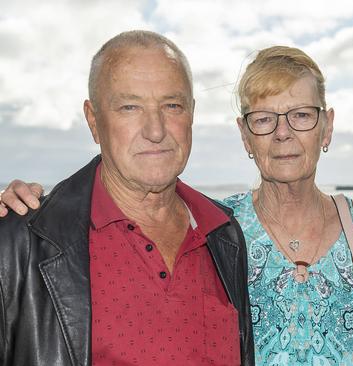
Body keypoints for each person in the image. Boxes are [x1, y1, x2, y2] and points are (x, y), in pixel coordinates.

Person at [1, 45, 353, 365]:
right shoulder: (223, 228)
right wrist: (41, 208)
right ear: (245, 136)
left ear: (327, 126)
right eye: (264, 119)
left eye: (301, 115)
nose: (283, 134)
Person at [0, 31, 254, 365]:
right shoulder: (19, 242)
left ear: (191, 113)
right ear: (94, 120)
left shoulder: (224, 234)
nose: (155, 130)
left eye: (172, 105)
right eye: (130, 107)